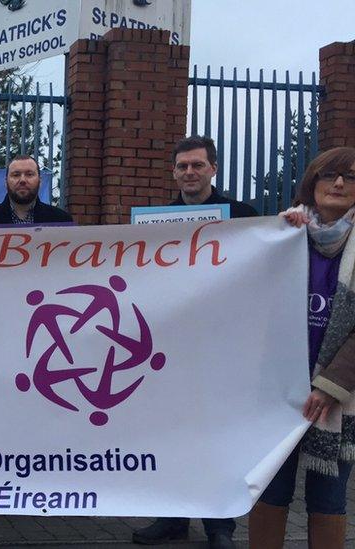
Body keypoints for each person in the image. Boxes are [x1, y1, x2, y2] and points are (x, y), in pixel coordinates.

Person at [130, 136, 256, 549]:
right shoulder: (156, 222)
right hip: (168, 347)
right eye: (182, 166)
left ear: (213, 169)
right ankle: (172, 518)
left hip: (221, 346)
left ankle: (221, 526)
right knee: (170, 433)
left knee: (217, 436)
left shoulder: (243, 217)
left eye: (197, 165)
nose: (189, 173)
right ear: (173, 171)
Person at [250, 147, 355, 549]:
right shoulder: (284, 234)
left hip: (336, 400)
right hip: (278, 391)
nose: (340, 184)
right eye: (330, 176)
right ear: (312, 183)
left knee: (327, 498)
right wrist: (272, 237)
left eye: (349, 177)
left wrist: (330, 386)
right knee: (270, 491)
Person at [0, 155, 72, 225]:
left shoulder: (62, 221)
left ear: (40, 181)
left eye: (29, 174)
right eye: (16, 175)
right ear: (6, 182)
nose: (22, 180)